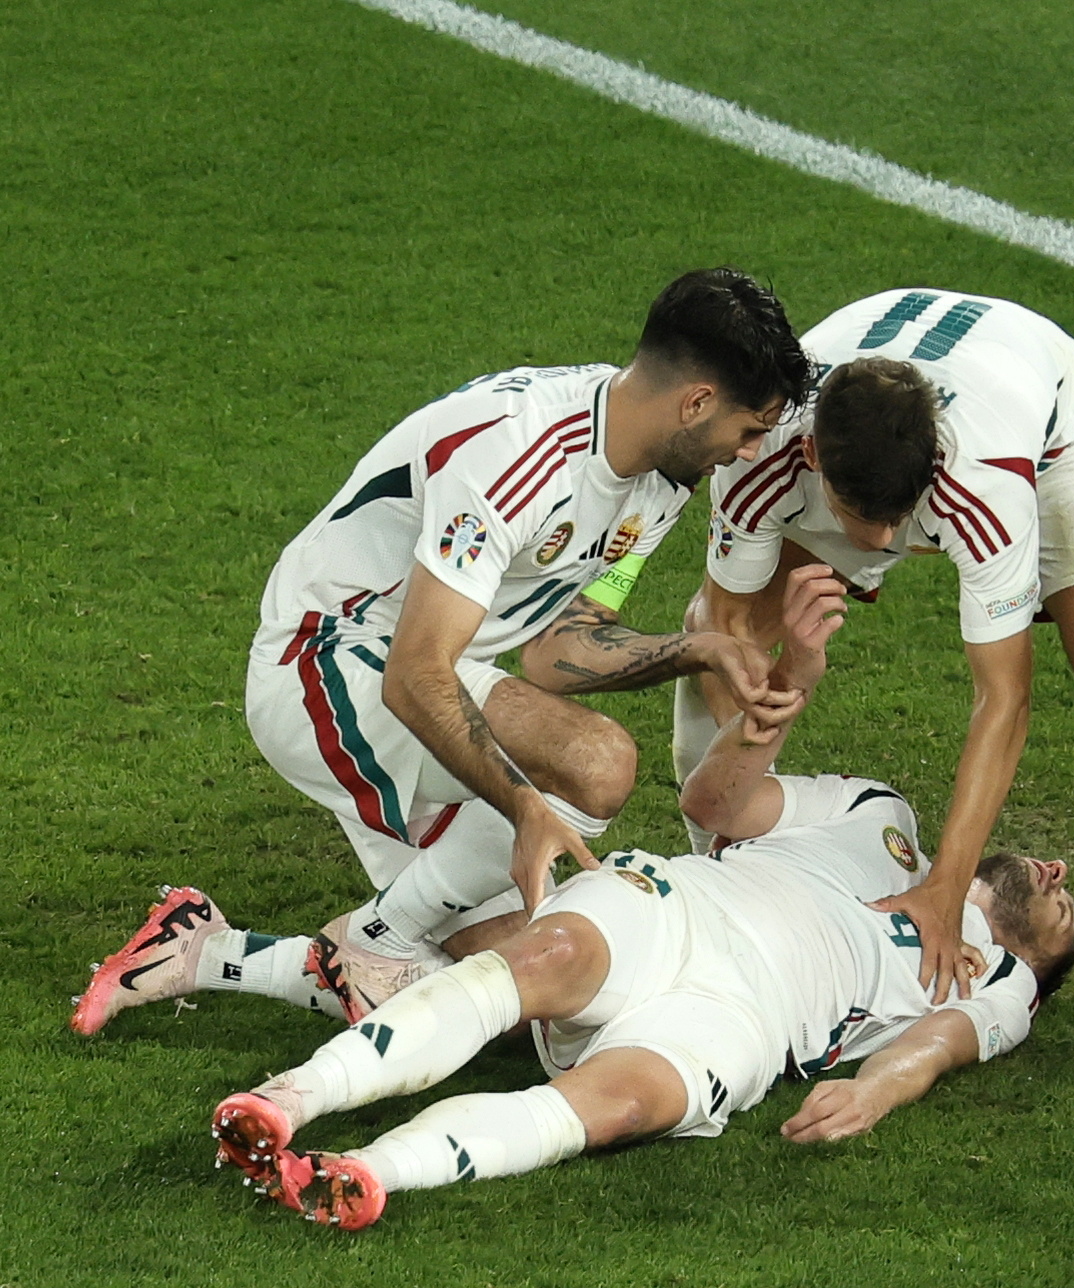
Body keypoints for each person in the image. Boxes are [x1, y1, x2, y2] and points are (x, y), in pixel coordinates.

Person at [205, 565, 1074, 1230]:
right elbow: (713, 806)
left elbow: (934, 1046)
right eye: (1060, 877)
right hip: (683, 910)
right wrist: (794, 679)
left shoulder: (1000, 981)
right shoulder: (876, 814)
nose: (1058, 877)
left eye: (1066, 912)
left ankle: (366, 1172)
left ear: (1040, 962)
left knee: (623, 1106)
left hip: (747, 1022)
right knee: (540, 957)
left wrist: (876, 1093)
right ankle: (291, 1099)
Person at [70, 268, 813, 1034]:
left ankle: (209, 950)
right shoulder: (516, 448)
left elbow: (556, 650)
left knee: (542, 995)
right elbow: (414, 673)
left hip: (439, 677)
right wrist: (526, 806)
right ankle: (376, 937)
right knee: (599, 763)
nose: (748, 452)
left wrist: (699, 648)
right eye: (750, 428)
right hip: (327, 660)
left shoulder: (662, 478)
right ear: (696, 403)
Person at [677, 289, 1074, 1039]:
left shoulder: (980, 482)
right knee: (715, 631)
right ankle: (718, 868)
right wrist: (736, 790)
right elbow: (725, 629)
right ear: (813, 457)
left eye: (902, 519)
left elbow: (1004, 702)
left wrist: (943, 891)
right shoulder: (761, 453)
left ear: (933, 467)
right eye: (868, 519)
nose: (887, 539)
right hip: (878, 432)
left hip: (1052, 438)